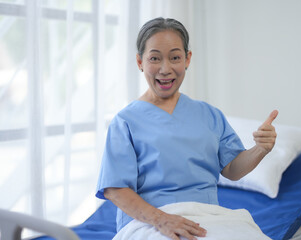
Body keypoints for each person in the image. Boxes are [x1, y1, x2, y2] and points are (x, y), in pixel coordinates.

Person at [96, 17, 278, 240]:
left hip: (210, 217)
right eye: (155, 58)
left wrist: (260, 148)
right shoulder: (125, 122)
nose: (165, 69)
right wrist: (161, 220)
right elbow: (115, 189)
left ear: (187, 59)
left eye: (175, 57)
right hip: (150, 223)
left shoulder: (209, 115)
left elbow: (232, 169)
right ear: (139, 61)